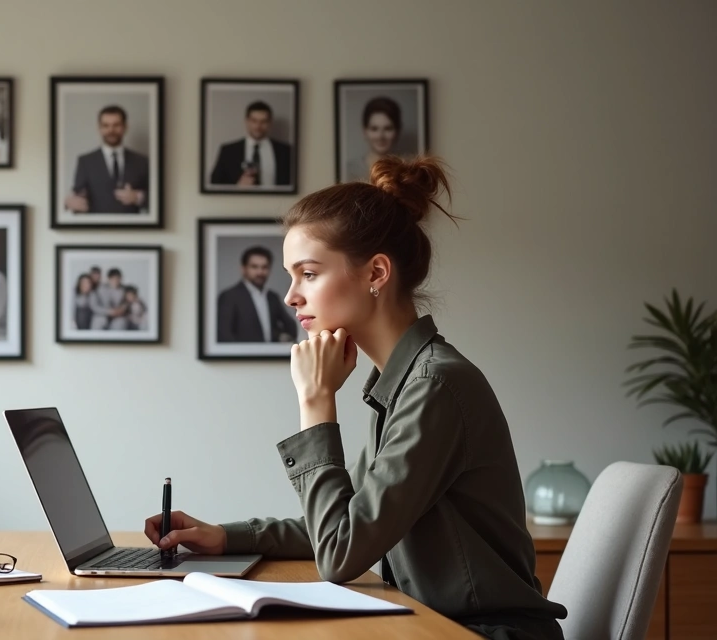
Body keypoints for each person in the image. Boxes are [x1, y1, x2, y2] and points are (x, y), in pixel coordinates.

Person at [144, 156, 567, 640]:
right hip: (434, 625)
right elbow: (352, 524)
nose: (290, 296)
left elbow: (340, 553)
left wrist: (316, 401)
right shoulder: (405, 381)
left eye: (308, 273)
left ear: (376, 273)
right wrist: (224, 537)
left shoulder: (435, 387)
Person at [64, 106, 149, 214]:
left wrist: (139, 197)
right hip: (96, 224)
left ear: (125, 127)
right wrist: (70, 203)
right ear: (99, 128)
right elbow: (78, 196)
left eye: (116, 125)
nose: (111, 130)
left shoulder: (142, 161)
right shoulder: (85, 161)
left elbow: (158, 198)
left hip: (133, 224)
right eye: (105, 125)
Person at [216, 246, 298, 343]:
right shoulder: (229, 296)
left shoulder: (272, 297)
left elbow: (291, 328)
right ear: (243, 269)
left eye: (264, 267)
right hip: (242, 352)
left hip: (270, 352)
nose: (260, 272)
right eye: (254, 267)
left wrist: (279, 336)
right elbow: (224, 335)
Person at [209, 101, 293, 188]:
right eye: (254, 121)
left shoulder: (286, 151)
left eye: (263, 121)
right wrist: (236, 188)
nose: (258, 126)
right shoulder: (228, 151)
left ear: (270, 122)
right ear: (247, 121)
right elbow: (214, 184)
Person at [345, 96, 402, 183]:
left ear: (397, 131)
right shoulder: (350, 170)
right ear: (365, 131)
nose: (380, 136)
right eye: (374, 129)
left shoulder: (407, 170)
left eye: (388, 128)